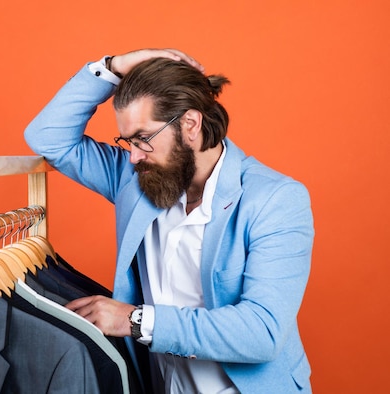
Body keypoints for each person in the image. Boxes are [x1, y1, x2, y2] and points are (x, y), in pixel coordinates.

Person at [24, 48, 314, 393]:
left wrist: (134, 320)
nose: (132, 156)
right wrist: (113, 67)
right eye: (126, 141)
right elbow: (47, 138)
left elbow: (262, 331)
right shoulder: (135, 179)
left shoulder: (275, 199)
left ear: (190, 124)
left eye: (143, 138)